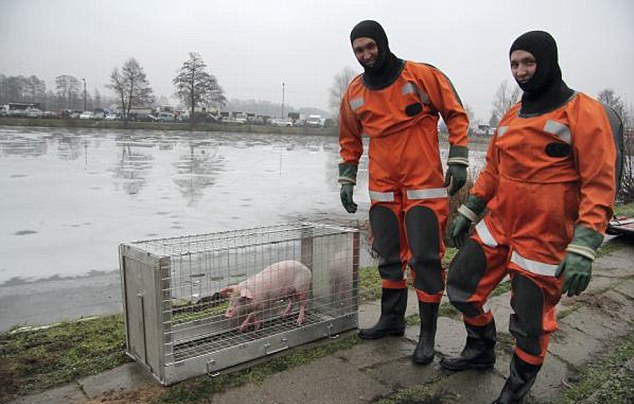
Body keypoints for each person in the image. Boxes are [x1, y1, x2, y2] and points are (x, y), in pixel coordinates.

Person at [440, 30, 622, 403]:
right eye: (514, 64)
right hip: (499, 227)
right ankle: (480, 349)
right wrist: (469, 209)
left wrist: (586, 246)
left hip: (545, 238)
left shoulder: (583, 113)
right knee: (461, 285)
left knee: (530, 323)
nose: (520, 71)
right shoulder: (511, 116)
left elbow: (599, 184)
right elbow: (492, 169)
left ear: (548, 62)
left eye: (528, 62)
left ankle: (516, 387)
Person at [338, 20, 470, 365]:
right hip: (382, 188)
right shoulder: (354, 92)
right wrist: (347, 178)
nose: (366, 55)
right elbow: (349, 139)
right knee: (388, 256)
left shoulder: (420, 76)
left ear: (382, 43)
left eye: (370, 46)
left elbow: (455, 112)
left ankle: (427, 335)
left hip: (423, 186)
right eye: (359, 50)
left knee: (425, 260)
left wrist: (459, 156)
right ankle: (392, 320)